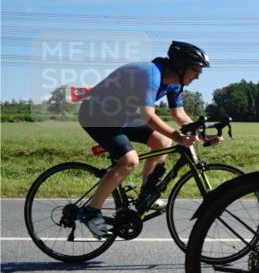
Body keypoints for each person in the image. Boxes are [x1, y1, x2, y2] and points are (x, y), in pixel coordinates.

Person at [76, 41, 218, 238]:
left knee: (163, 141)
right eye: (195, 70)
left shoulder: (174, 83)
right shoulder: (150, 74)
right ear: (180, 66)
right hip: (96, 114)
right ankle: (91, 211)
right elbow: (147, 116)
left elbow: (179, 114)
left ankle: (145, 196)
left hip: (121, 116)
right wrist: (178, 136)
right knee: (129, 160)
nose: (198, 76)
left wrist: (203, 136)